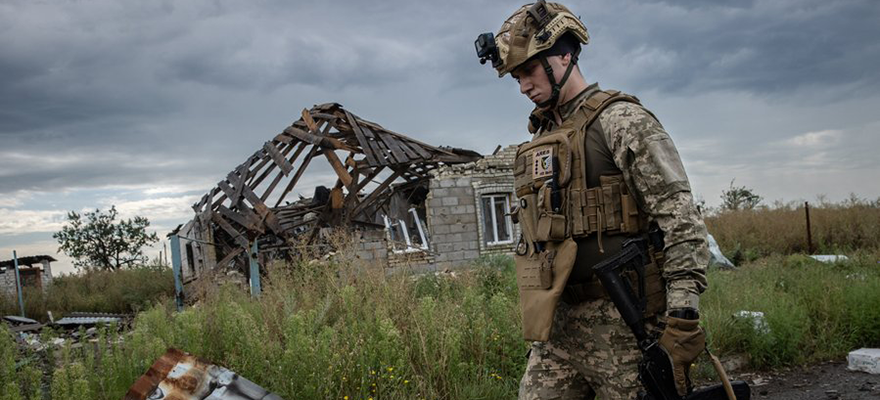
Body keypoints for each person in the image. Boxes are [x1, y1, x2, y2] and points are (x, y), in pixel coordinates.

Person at [475, 1, 710, 399]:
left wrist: (682, 315)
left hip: (626, 325)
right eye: (516, 77)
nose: (523, 86)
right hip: (560, 327)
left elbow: (680, 219)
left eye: (529, 71)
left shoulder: (622, 121)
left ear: (564, 56)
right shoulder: (542, 139)